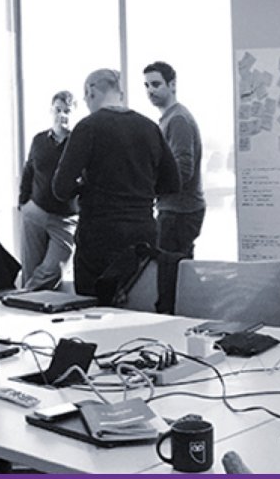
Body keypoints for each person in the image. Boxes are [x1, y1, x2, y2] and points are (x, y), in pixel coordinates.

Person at [54, 69, 179, 305]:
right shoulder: (149, 127)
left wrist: (83, 187)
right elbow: (173, 183)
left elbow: (60, 187)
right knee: (139, 307)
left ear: (90, 92)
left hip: (99, 236)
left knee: (93, 311)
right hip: (143, 235)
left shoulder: (88, 127)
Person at [144, 61, 203, 314]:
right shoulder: (168, 119)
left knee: (169, 287)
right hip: (175, 210)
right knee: (174, 281)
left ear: (172, 85)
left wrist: (149, 188)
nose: (150, 91)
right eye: (146, 86)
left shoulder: (177, 119)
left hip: (179, 211)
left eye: (156, 84)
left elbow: (183, 170)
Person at [18, 91, 80, 291]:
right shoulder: (39, 140)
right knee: (31, 268)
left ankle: (23, 296)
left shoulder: (80, 143)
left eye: (67, 111)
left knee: (54, 270)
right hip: (35, 212)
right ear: (50, 111)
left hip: (65, 218)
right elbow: (28, 171)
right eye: (58, 110)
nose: (62, 115)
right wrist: (23, 203)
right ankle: (26, 309)